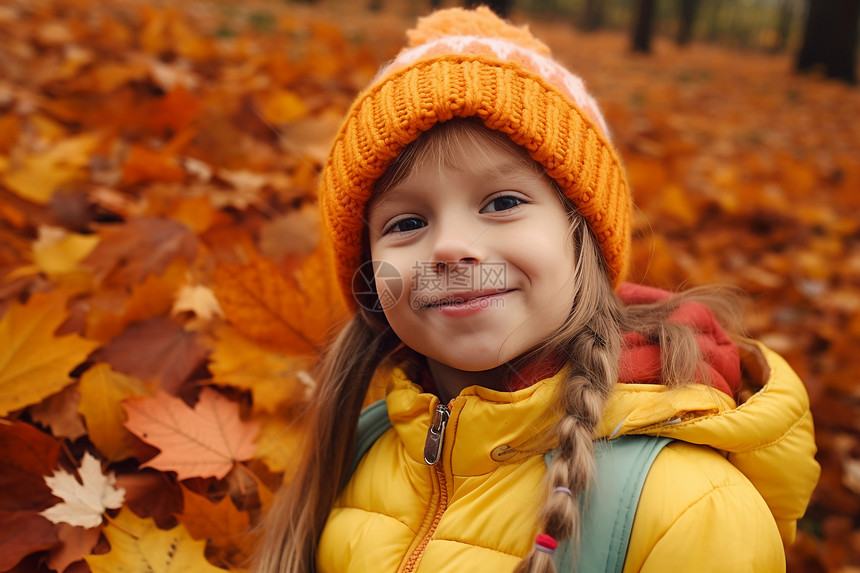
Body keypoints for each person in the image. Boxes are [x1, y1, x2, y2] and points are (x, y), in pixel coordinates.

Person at [255, 6, 820, 573]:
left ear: (584, 241)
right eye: (406, 223)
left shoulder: (689, 509)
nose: (450, 248)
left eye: (502, 203)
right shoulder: (359, 455)